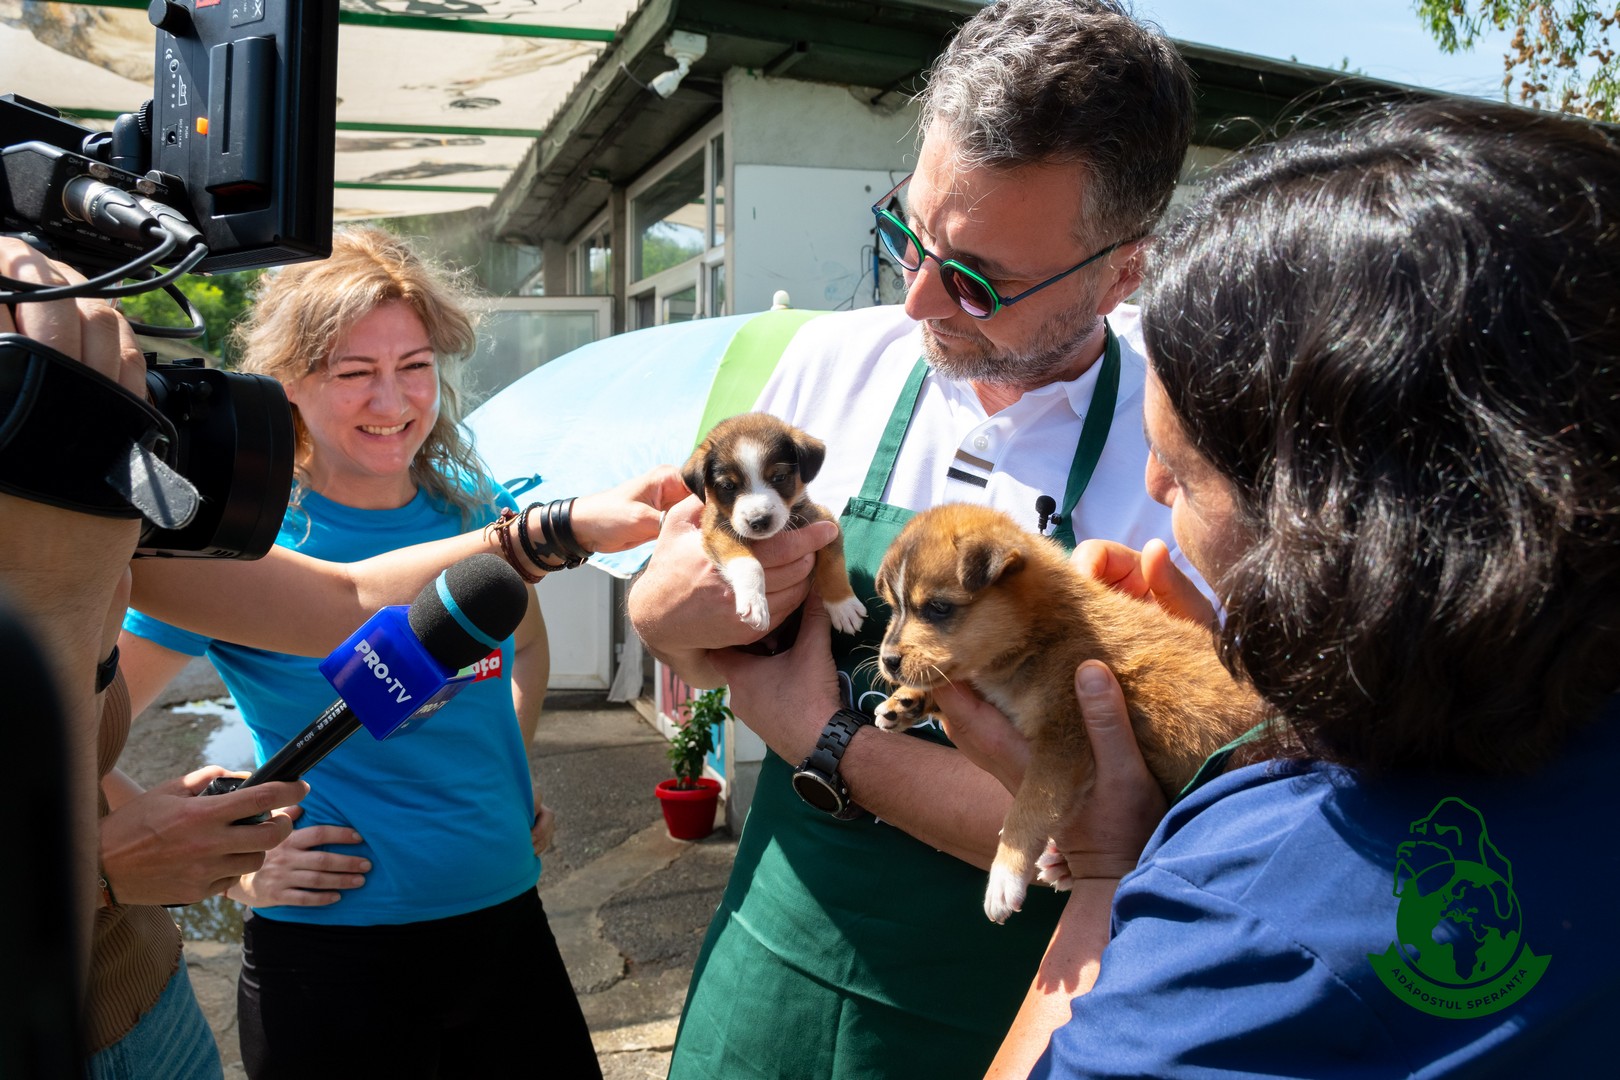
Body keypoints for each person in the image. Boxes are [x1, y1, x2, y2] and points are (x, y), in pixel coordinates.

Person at [962, 98, 1620, 1075]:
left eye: (1183, 472)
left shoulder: (1249, 927)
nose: (1152, 489)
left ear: (1337, 530)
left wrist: (1106, 870)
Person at [626, 1, 1199, 1075]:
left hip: (1011, 995)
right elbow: (701, 640)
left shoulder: (1185, 448)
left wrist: (824, 737)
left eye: (978, 279)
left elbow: (1116, 834)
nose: (919, 300)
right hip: (772, 948)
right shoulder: (830, 364)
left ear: (1123, 273)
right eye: (907, 234)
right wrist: (661, 616)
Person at [118, 226, 602, 1078]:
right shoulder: (248, 539)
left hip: (505, 921)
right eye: (354, 373)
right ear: (288, 383)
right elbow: (67, 717)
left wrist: (511, 772)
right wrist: (226, 866)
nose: (394, 399)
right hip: (331, 959)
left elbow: (523, 644)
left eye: (415, 365)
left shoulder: (473, 509)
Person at [0, 236, 309, 1080]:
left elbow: (345, 602)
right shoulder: (51, 558)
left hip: (154, 1004)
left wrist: (544, 534)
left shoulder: (62, 510)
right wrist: (105, 872)